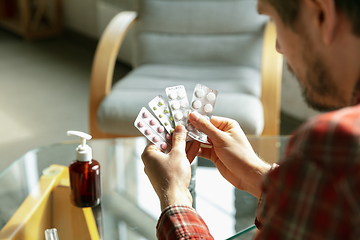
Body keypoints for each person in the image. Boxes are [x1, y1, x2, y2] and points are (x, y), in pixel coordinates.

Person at [141, 0, 360, 239]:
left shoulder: (334, 145)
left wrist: (174, 195)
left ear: (321, 14)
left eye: (276, 21)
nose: (278, 47)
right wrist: (256, 175)